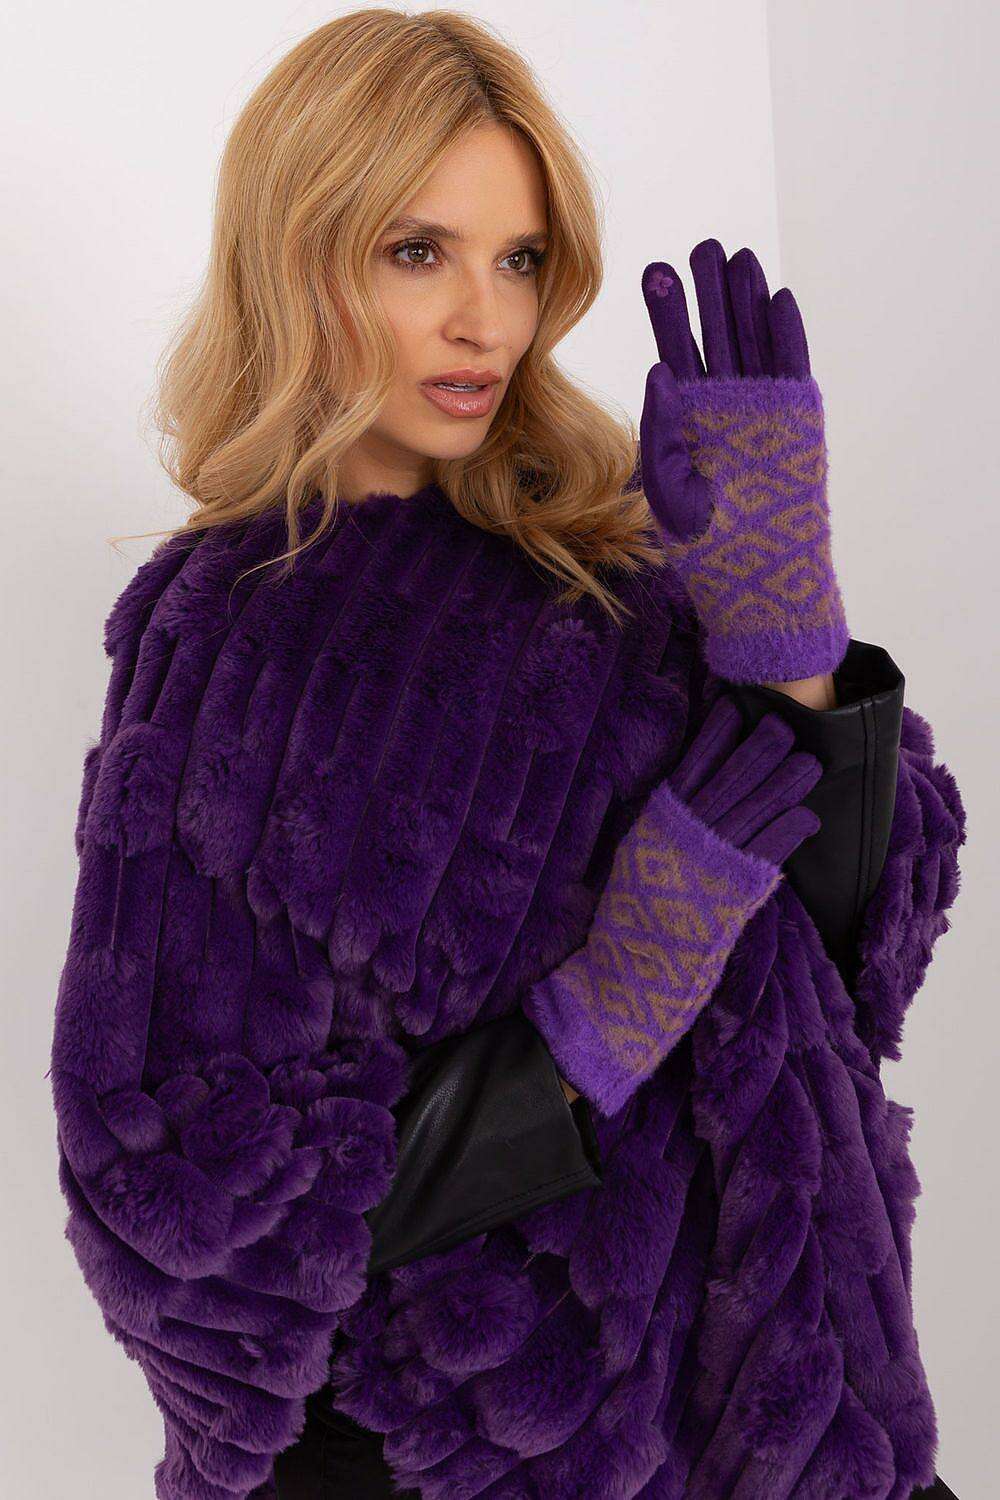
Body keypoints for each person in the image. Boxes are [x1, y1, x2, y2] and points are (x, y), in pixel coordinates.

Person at [48, 11, 965, 1500]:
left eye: (521, 259)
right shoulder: (231, 631)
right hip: (457, 1455)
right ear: (300, 258)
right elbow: (178, 1196)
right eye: (419, 252)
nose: (487, 320)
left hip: (774, 1409)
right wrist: (602, 1016)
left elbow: (853, 970)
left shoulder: (609, 567)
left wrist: (782, 625)